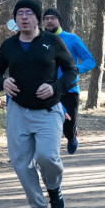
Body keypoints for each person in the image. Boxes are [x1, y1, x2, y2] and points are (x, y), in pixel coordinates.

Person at [0, 0, 77, 208]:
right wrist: (2, 82)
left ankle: (54, 187)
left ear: (37, 18)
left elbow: (71, 71)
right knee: (21, 162)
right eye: (20, 13)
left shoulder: (53, 42)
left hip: (48, 111)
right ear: (15, 19)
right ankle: (39, 207)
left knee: (47, 157)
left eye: (29, 13)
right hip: (18, 111)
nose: (24, 17)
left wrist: (55, 87)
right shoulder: (9, 45)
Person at [42, 8, 96, 155]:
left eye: (52, 18)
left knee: (68, 126)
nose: (49, 21)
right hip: (47, 90)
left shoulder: (72, 39)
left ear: (59, 20)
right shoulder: (39, 40)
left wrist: (75, 70)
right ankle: (48, 153)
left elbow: (90, 61)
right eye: (46, 18)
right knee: (48, 124)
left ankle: (72, 136)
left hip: (69, 89)